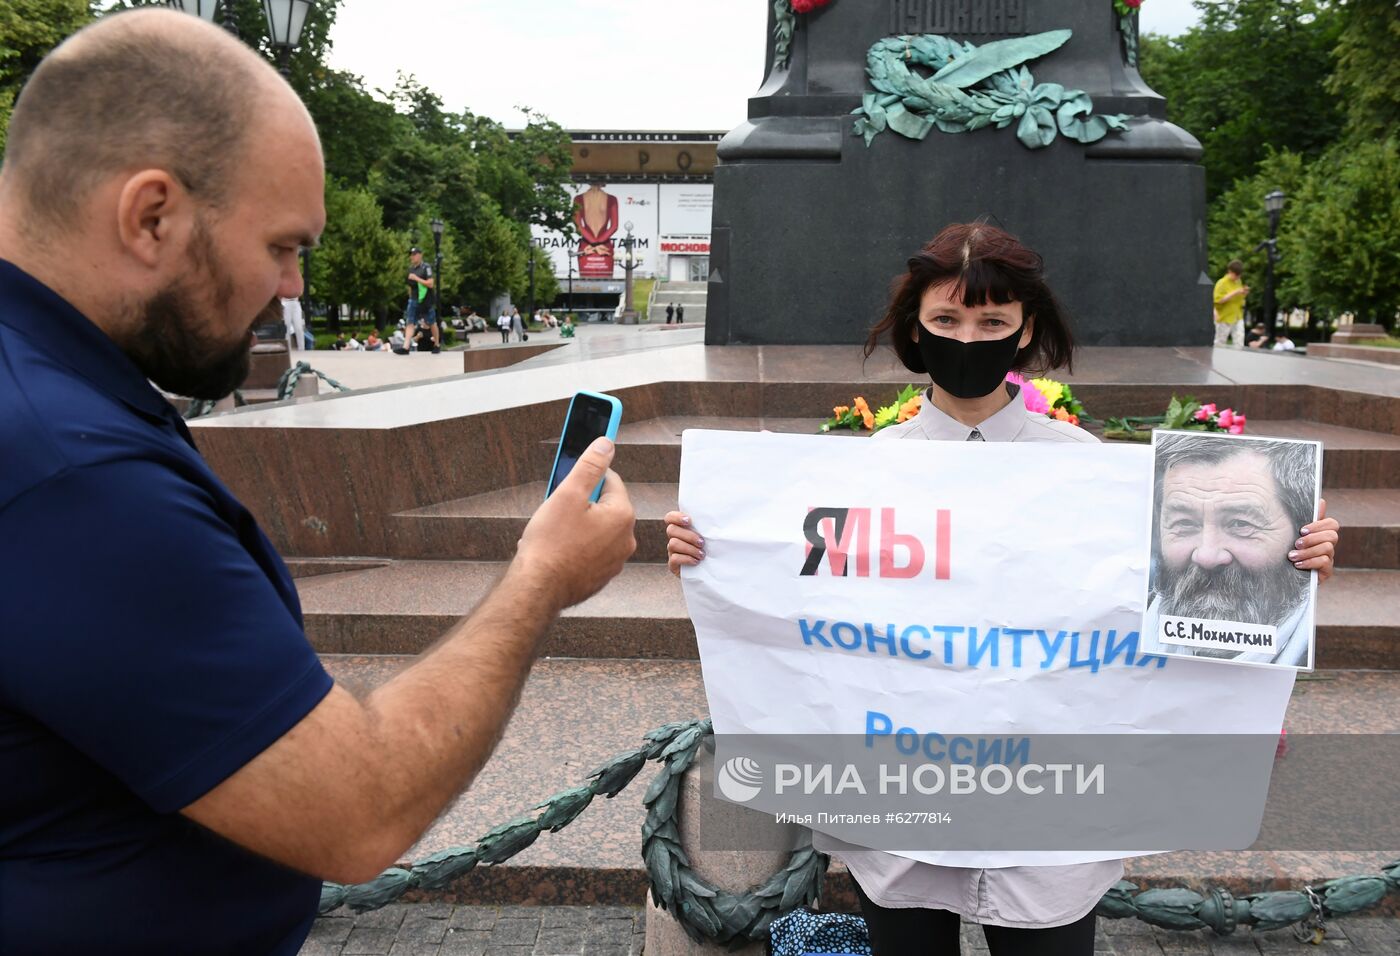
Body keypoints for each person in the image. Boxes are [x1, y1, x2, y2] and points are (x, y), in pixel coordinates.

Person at [0, 11, 637, 954]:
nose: (295, 288)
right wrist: (542, 577)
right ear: (150, 216)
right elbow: (357, 808)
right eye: (281, 246)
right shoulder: (72, 473)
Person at [664, 223, 1340, 956]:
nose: (968, 338)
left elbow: (1196, 613)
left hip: (1047, 816)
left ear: (1024, 333)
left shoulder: (1096, 474)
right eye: (947, 320)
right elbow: (810, 617)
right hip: (902, 807)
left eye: (993, 321)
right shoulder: (866, 474)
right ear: (915, 332)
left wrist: (1285, 562)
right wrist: (718, 554)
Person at [1139, 433, 1333, 667]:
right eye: (1184, 523)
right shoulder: (1120, 613)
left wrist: (1308, 578)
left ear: (1303, 528)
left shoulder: (1321, 651)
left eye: (1241, 524)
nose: (1207, 555)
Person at [405, 246, 437, 350]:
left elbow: (431, 283)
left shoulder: (425, 267)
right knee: (410, 322)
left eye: (414, 254)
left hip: (425, 300)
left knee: (431, 322)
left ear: (420, 255)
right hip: (414, 299)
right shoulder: (411, 269)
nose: (412, 257)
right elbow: (410, 286)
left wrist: (416, 278)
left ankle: (436, 344)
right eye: (411, 255)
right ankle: (406, 346)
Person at [1212, 260, 1249, 348]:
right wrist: (1235, 292)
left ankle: (1238, 359)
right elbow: (1218, 300)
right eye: (1236, 275)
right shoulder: (1221, 283)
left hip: (1237, 315)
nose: (1238, 277)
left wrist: (1243, 293)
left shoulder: (1238, 282)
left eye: (1239, 275)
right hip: (1224, 316)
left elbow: (1239, 299)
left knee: (1239, 341)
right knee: (1220, 342)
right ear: (1230, 272)